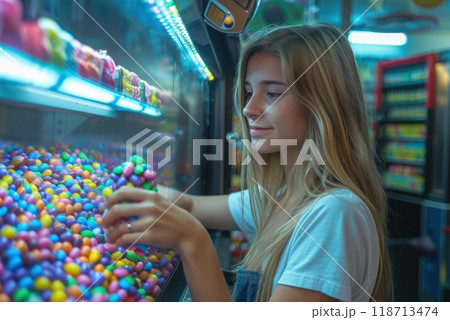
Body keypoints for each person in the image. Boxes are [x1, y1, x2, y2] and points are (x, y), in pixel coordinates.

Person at [102, 22, 393, 302]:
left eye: (273, 93)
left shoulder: (334, 213)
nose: (248, 108)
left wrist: (193, 241)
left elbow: (191, 221)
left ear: (322, 106)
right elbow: (190, 205)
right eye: (249, 91)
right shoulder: (279, 197)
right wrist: (133, 192)